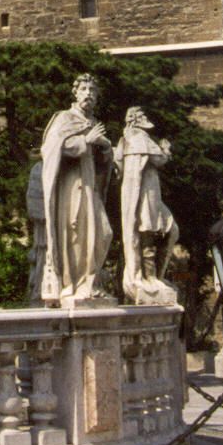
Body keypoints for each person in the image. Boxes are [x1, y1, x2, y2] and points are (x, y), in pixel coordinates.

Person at [38, 74, 114, 303]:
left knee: (103, 233)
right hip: (72, 185)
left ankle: (91, 281)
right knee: (76, 234)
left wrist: (105, 148)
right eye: (84, 89)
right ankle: (77, 285)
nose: (88, 94)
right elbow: (51, 148)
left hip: (91, 184)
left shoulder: (94, 123)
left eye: (92, 90)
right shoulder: (64, 118)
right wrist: (87, 141)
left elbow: (101, 163)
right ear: (76, 93)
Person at [113, 106, 180, 302]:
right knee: (149, 233)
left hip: (143, 194)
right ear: (136, 120)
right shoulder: (140, 138)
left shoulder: (126, 140)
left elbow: (118, 167)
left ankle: (153, 276)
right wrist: (166, 148)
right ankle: (150, 277)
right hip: (145, 195)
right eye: (142, 116)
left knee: (164, 231)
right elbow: (159, 159)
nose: (145, 119)